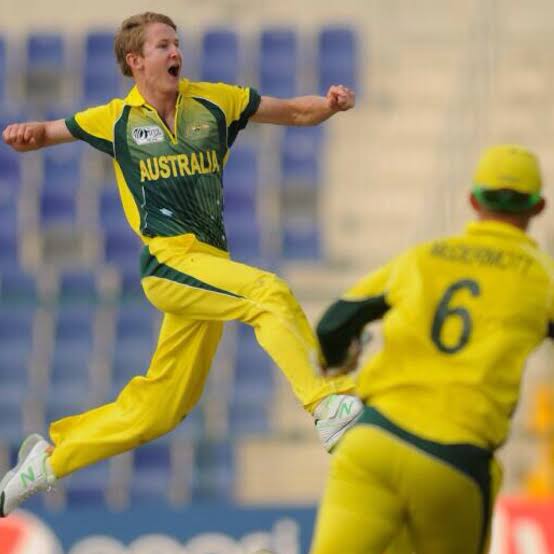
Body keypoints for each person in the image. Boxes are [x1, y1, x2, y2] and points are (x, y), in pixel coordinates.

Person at [0, 12, 362, 517]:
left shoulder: (214, 101)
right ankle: (327, 403)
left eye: (177, 43)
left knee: (162, 408)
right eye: (163, 45)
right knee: (267, 292)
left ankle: (48, 461)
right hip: (169, 264)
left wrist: (327, 106)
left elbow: (294, 113)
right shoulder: (115, 118)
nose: (176, 53)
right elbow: (47, 131)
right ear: (135, 61)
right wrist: (26, 134)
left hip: (207, 267)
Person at [309, 144, 554, 554]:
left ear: (474, 200)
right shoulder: (541, 280)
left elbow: (334, 322)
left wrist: (337, 361)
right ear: (539, 207)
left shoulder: (422, 258)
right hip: (454, 462)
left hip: (374, 441)